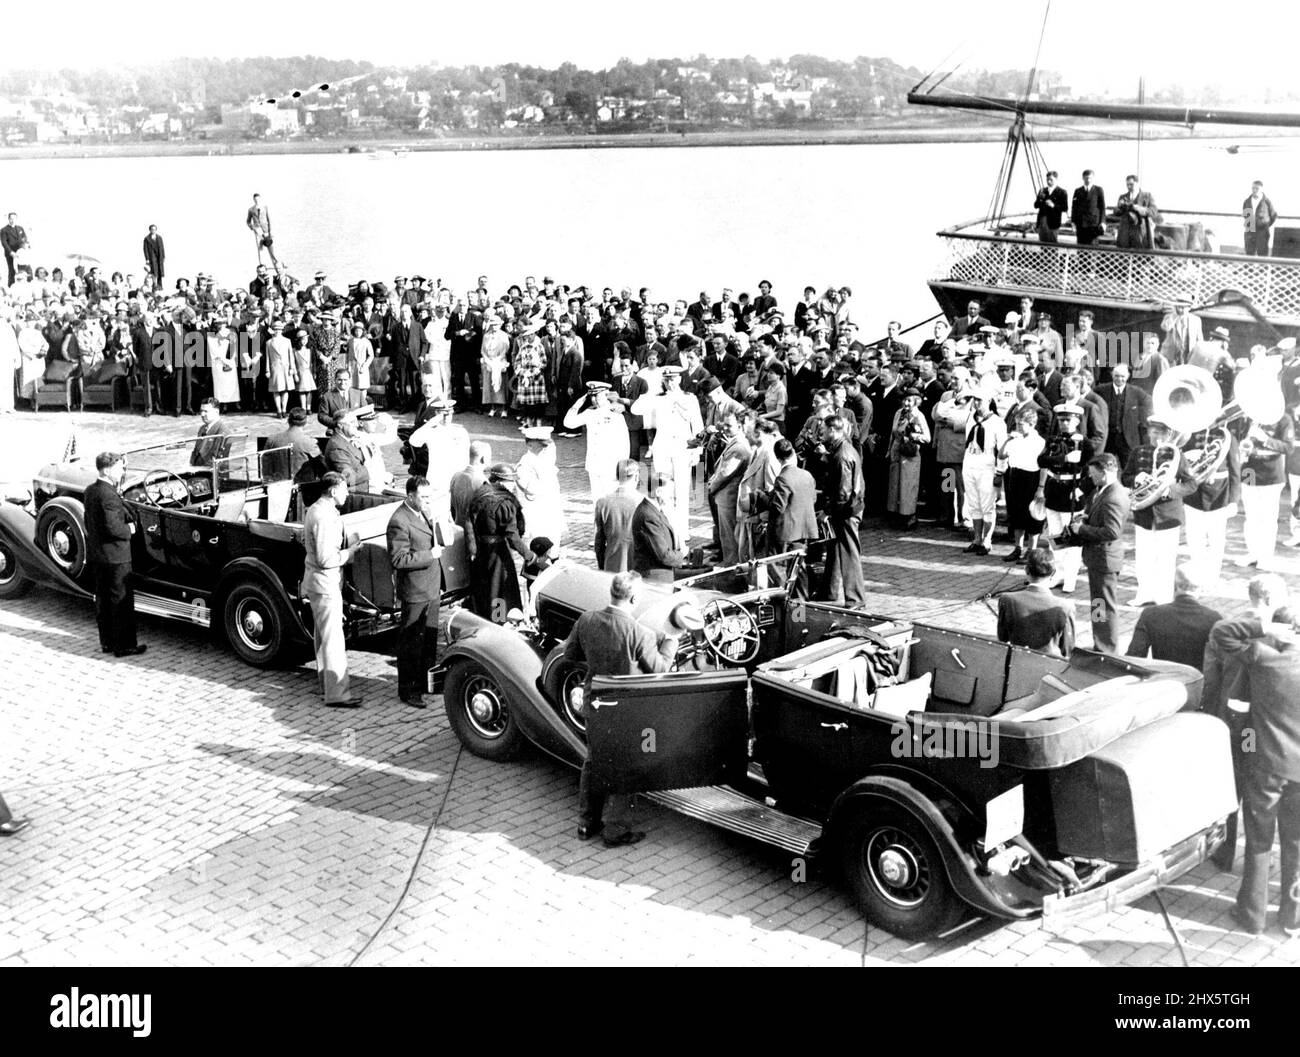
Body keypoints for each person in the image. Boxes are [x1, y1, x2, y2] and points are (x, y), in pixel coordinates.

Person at [565, 571, 680, 847]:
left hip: (595, 702)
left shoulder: (587, 620)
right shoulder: (639, 633)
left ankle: (585, 823)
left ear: (612, 593)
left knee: (594, 760)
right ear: (634, 597)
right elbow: (660, 670)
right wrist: (672, 641)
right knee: (627, 765)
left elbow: (570, 655)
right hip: (627, 708)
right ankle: (615, 830)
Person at [1206, 612, 1300, 937]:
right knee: (1296, 843)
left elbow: (1222, 632)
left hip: (1266, 763)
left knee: (1259, 840)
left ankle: (1252, 914)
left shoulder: (1263, 658)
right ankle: (1292, 918)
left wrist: (1262, 627)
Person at [304, 472, 364, 707]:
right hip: (325, 582)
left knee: (322, 636)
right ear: (332, 491)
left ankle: (325, 686)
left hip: (317, 582)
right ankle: (338, 693)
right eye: (344, 489)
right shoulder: (324, 516)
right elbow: (326, 558)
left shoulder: (316, 510)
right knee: (333, 639)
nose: (347, 492)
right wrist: (351, 553)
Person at [631, 364, 703, 547]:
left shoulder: (689, 399)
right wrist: (650, 392)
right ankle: (669, 525)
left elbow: (698, 426)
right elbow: (635, 410)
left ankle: (683, 530)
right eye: (666, 379)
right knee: (664, 489)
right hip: (663, 448)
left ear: (679, 379)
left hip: (682, 448)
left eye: (673, 379)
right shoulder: (657, 398)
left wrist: (697, 451)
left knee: (682, 489)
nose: (669, 383)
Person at [387, 476, 443, 709]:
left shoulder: (423, 513)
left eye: (429, 496)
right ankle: (409, 690)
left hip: (430, 586)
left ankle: (425, 682)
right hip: (415, 590)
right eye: (423, 497)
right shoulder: (399, 521)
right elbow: (399, 559)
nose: (427, 501)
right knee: (411, 641)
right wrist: (431, 555)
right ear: (410, 496)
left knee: (429, 638)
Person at [84, 451, 146, 659]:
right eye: (119, 468)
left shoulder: (91, 490)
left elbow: (88, 523)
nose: (122, 472)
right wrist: (131, 529)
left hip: (98, 555)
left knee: (103, 599)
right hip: (117, 557)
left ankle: (108, 642)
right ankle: (124, 645)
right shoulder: (109, 495)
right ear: (108, 470)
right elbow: (114, 528)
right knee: (121, 600)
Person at [1122, 415, 1189, 607]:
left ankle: (1164, 597)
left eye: (1160, 432)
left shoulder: (1176, 455)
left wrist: (1171, 490)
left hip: (1168, 513)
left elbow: (1191, 483)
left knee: (1165, 558)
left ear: (1169, 434)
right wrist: (1136, 479)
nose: (1156, 436)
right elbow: (1126, 476)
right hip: (1144, 513)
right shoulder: (1138, 452)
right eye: (1152, 431)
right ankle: (1144, 594)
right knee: (1143, 556)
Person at [1069, 454, 1130, 653]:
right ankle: (1101, 643)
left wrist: (1081, 530)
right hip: (1098, 559)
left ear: (1104, 472)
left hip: (1104, 560)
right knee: (1098, 604)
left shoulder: (1113, 497)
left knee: (1104, 607)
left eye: (1094, 474)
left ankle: (1106, 648)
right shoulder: (1104, 490)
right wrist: (1087, 517)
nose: (1091, 478)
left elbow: (1112, 532)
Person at [754, 438, 819, 597]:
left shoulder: (783, 478)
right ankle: (799, 612)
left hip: (786, 533)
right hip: (804, 531)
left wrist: (762, 497)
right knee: (799, 573)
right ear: (793, 454)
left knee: (776, 569)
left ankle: (783, 603)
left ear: (778, 458)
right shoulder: (807, 475)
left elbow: (777, 506)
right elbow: (812, 499)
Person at [465, 463, 529, 622]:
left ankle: (484, 619)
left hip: (481, 552)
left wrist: (472, 548)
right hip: (498, 553)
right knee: (500, 590)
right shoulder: (505, 502)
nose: (513, 486)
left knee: (484, 589)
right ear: (504, 481)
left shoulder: (480, 494)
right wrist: (530, 555)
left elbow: (468, 523)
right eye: (511, 481)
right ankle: (498, 621)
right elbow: (513, 538)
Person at [1236, 405, 1295, 571]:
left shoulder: (1283, 418)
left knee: (1268, 518)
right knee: (1251, 515)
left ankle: (1265, 557)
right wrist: (1244, 446)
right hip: (1250, 470)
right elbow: (1243, 439)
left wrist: (1265, 439)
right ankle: (1252, 552)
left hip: (1271, 473)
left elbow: (1288, 448)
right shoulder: (1252, 417)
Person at [1126, 566, 1222, 667]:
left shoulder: (1151, 614)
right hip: (1198, 680)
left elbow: (1134, 658)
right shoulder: (1214, 619)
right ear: (1200, 588)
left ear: (1174, 586)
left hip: (1165, 679)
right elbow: (1221, 662)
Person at [819, 414, 867, 606]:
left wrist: (827, 512)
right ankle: (829, 591)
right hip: (849, 508)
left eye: (823, 430)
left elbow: (843, 493)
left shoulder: (842, 455)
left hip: (847, 511)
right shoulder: (843, 451)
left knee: (849, 553)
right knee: (836, 549)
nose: (821, 433)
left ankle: (856, 598)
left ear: (833, 430)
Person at [997, 548, 1075, 657]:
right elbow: (1067, 649)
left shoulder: (1007, 599)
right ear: (1053, 572)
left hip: (1016, 661)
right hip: (1049, 667)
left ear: (1026, 570)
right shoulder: (1065, 606)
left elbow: (1003, 637)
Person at [563, 382, 630, 501]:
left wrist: (622, 465)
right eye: (592, 396)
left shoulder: (615, 413)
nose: (593, 400)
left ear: (605, 395)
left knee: (610, 498)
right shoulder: (590, 413)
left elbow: (624, 442)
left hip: (611, 464)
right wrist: (576, 406)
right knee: (596, 499)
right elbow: (568, 423)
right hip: (594, 463)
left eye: (597, 396)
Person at [706, 410, 752, 567]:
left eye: (729, 425)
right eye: (724, 424)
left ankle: (731, 565)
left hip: (728, 497)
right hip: (726, 495)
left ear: (739, 426)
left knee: (729, 535)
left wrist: (712, 486)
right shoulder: (735, 441)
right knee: (727, 534)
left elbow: (725, 473)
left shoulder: (739, 447)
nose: (724, 428)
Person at [1001, 408, 1046, 560]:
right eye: (1017, 424)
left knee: (1032, 515)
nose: (1018, 427)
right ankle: (1018, 547)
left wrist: (1041, 488)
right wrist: (1008, 439)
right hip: (1015, 475)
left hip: (1031, 477)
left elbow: (1043, 467)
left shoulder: (1039, 442)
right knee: (1016, 513)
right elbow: (1001, 455)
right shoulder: (1016, 440)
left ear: (1032, 424)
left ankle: (1031, 549)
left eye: (1021, 424)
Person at [887, 386, 931, 530]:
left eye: (909, 401)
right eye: (905, 400)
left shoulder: (919, 416)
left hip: (910, 454)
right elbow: (892, 434)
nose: (906, 404)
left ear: (916, 401)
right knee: (895, 485)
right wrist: (889, 450)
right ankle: (896, 515)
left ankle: (909, 517)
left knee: (908, 485)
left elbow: (927, 438)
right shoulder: (898, 413)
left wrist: (914, 436)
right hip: (896, 451)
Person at [1095, 362, 1151, 470]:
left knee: (1128, 468)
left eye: (1122, 376)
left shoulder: (1136, 391)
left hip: (1127, 438)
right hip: (1108, 437)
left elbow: (1149, 403)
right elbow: (1090, 399)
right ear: (1112, 375)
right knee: (1104, 466)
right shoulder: (1102, 390)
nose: (1119, 379)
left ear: (1128, 376)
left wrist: (1138, 416)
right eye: (1116, 376)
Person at [515, 426, 564, 547]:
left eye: (546, 445)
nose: (546, 448)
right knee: (537, 555)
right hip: (536, 518)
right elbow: (531, 492)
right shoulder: (525, 465)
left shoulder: (545, 460)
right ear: (530, 445)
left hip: (550, 516)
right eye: (542, 445)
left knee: (553, 553)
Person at [631, 473, 685, 583]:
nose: (672, 498)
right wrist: (682, 554)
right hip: (655, 578)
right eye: (669, 494)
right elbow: (664, 556)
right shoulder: (649, 516)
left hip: (659, 574)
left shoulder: (653, 510)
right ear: (658, 492)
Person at [594, 459, 644, 573]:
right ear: (636, 476)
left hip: (612, 565)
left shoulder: (603, 502)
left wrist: (602, 565)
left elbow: (599, 542)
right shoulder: (643, 502)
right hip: (638, 566)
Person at [266, 407, 318, 479]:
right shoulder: (310, 442)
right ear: (305, 422)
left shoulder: (272, 440)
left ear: (288, 420)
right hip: (304, 486)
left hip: (278, 484)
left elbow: (266, 469)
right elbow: (321, 467)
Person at [324, 409, 370, 492]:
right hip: (351, 494)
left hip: (362, 489)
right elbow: (349, 478)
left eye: (356, 421)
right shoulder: (337, 448)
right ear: (340, 425)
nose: (356, 425)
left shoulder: (348, 440)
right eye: (352, 422)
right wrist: (368, 470)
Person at [1112, 175, 1161, 250]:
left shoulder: (1147, 196)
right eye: (1127, 185)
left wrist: (1139, 209)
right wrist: (1120, 207)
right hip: (1125, 233)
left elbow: (1153, 211)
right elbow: (1116, 212)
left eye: (1131, 184)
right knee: (1124, 255)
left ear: (1137, 184)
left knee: (1141, 256)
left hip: (1141, 232)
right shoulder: (1122, 197)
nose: (1129, 187)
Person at [450, 441, 491, 525]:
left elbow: (452, 508)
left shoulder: (456, 476)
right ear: (484, 458)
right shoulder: (482, 482)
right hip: (475, 533)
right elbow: (487, 515)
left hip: (458, 528)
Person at [265, 319, 295, 418]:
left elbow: (291, 355)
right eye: (275, 329)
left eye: (279, 329)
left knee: (285, 390)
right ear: (273, 330)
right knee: (276, 390)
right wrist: (267, 370)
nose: (278, 331)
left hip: (285, 368)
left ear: (282, 330)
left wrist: (292, 368)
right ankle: (278, 410)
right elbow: (268, 357)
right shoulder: (269, 342)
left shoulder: (287, 341)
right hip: (275, 368)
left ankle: (284, 410)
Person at [190, 398, 231, 467]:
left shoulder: (222, 432)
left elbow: (216, 460)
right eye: (201, 411)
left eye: (206, 411)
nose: (202, 414)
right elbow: (196, 453)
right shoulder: (202, 429)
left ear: (216, 412)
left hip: (211, 473)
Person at [1242, 179, 1278, 258]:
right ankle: (1249, 270)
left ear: (1262, 189)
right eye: (1253, 188)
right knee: (1249, 254)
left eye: (1257, 188)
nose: (1254, 190)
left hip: (1262, 232)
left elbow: (1273, 216)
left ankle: (1263, 270)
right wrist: (1250, 225)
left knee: (1263, 254)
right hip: (1249, 231)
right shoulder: (1247, 202)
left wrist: (1265, 224)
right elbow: (1245, 215)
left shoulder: (1267, 202)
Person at [1071, 169, 1107, 246]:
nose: (1088, 180)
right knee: (1081, 248)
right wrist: (1073, 222)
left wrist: (1103, 222)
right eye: (1086, 178)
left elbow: (1102, 207)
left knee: (1092, 247)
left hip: (1093, 225)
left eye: (1090, 178)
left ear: (1093, 178)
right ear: (1083, 178)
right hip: (1081, 225)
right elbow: (1074, 208)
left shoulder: (1098, 190)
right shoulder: (1078, 191)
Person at [1033, 171, 1068, 243]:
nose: (1049, 181)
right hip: (1042, 222)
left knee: (1052, 245)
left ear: (1056, 179)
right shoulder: (1042, 191)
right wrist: (1040, 199)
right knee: (1042, 243)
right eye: (1047, 179)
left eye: (1051, 180)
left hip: (1053, 223)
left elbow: (1065, 208)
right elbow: (1035, 205)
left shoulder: (1062, 192)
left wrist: (1053, 206)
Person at [246, 193, 278, 267]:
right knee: (260, 249)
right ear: (253, 200)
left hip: (266, 229)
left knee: (271, 246)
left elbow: (269, 219)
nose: (257, 200)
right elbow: (248, 221)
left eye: (258, 199)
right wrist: (253, 228)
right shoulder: (251, 209)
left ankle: (276, 263)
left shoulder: (265, 207)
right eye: (255, 199)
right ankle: (262, 265)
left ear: (260, 199)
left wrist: (270, 231)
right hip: (258, 231)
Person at [318, 368, 351, 433]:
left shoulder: (358, 394)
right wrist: (336, 423)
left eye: (345, 380)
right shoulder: (327, 396)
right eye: (339, 380)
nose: (342, 383)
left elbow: (366, 413)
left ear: (350, 380)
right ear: (335, 380)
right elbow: (321, 416)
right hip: (336, 431)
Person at [1, 212, 29, 286]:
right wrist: (11, 252)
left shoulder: (20, 228)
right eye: (11, 218)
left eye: (14, 218)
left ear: (16, 219)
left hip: (21, 254)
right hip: (11, 254)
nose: (12, 220)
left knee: (26, 270)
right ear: (8, 219)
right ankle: (11, 289)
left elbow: (24, 239)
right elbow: (4, 243)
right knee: (12, 271)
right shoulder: (4, 230)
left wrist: (26, 246)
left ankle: (27, 288)